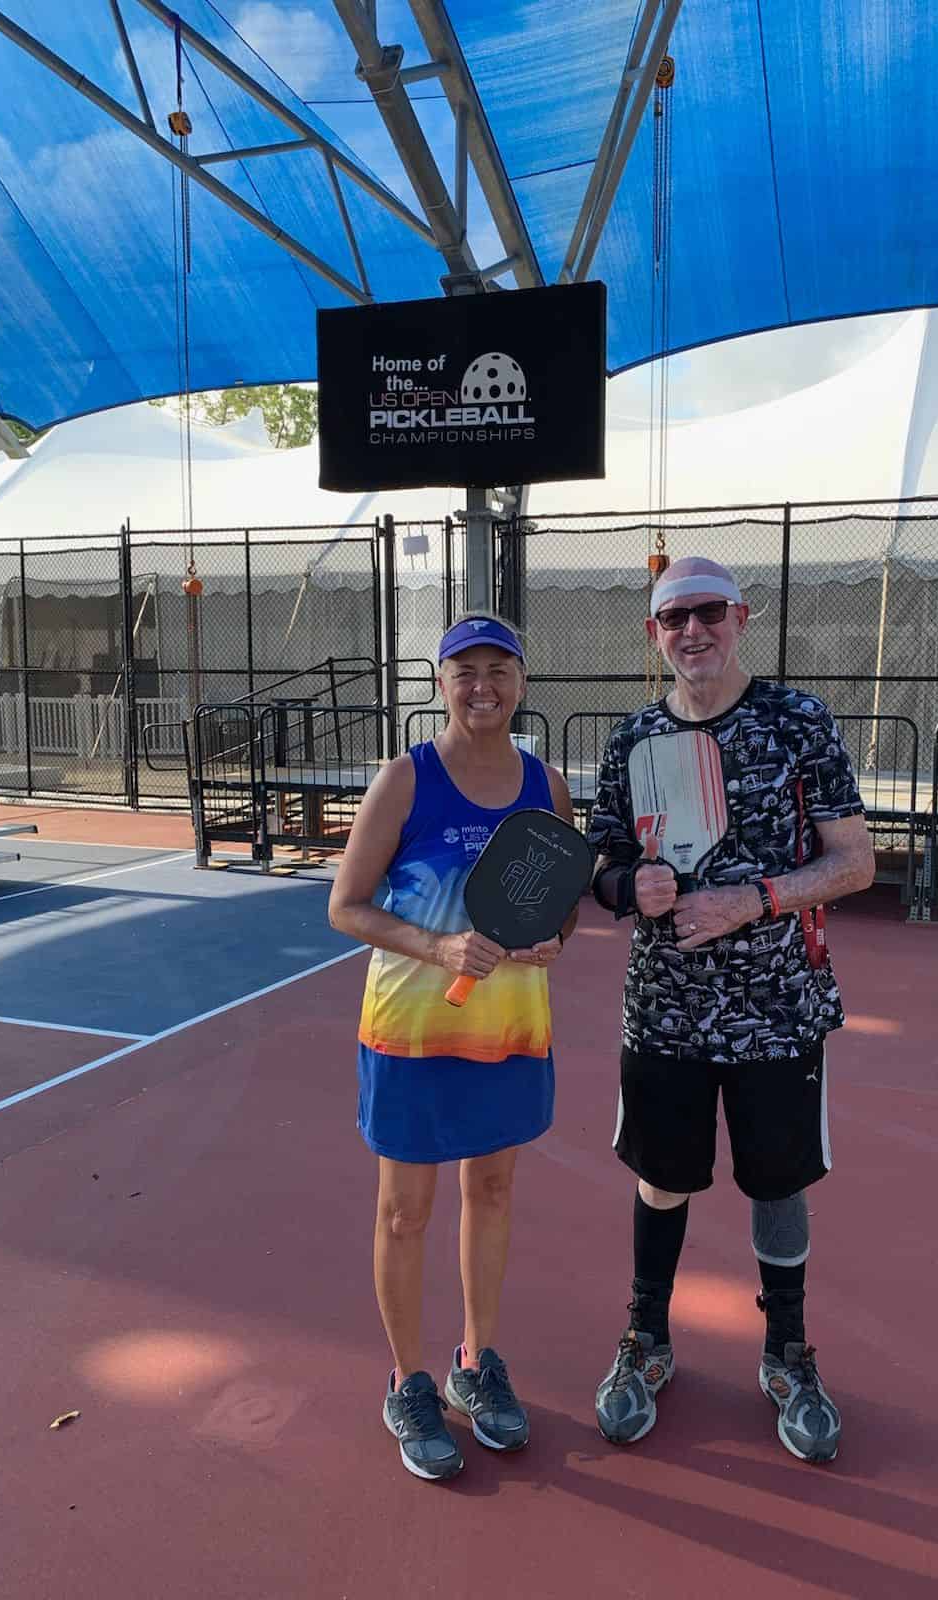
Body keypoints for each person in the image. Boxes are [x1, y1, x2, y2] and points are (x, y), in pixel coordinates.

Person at [587, 556, 876, 1463]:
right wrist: (631, 884)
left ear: (740, 618)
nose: (693, 631)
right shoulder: (631, 740)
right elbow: (598, 866)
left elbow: (855, 863)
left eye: (709, 612)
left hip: (777, 1009)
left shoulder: (800, 722)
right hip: (664, 1011)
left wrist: (752, 899)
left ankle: (787, 1354)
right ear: (654, 635)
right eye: (675, 618)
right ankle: (647, 1342)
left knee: (776, 1183)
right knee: (662, 1177)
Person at [328, 613, 577, 1482]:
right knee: (405, 1210)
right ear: (440, 683)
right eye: (464, 670)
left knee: (495, 1188)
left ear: (521, 683)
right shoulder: (405, 780)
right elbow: (346, 907)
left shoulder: (546, 783)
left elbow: (561, 902)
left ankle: (477, 1362)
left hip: (507, 1029)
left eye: (499, 669)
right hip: (410, 1032)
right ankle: (409, 1379)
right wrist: (434, 947)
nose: (483, 686)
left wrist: (553, 939)